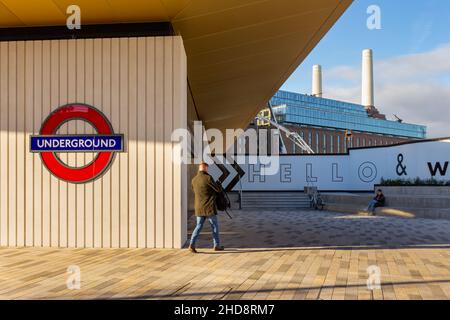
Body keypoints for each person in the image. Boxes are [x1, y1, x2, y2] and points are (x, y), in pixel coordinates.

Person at [189, 161, 224, 253]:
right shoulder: (208, 178)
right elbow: (217, 190)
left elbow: (195, 191)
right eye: (207, 168)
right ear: (205, 168)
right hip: (209, 207)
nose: (208, 170)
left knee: (198, 226)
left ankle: (192, 245)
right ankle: (216, 245)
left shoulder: (194, 180)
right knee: (214, 227)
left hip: (199, 207)